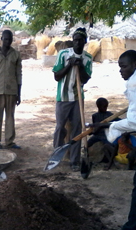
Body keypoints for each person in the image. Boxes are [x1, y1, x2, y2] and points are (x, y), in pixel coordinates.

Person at [95, 50, 136, 230]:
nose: (121, 71)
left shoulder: (135, 83)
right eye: (119, 67)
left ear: (135, 64)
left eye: (124, 66)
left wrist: (112, 126)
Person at [53, 27, 93, 171]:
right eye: (75, 40)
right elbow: (56, 76)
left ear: (84, 42)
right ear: (73, 41)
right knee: (60, 128)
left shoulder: (88, 58)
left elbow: (85, 79)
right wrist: (69, 65)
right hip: (63, 97)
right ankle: (56, 156)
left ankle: (74, 160)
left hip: (78, 99)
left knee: (77, 129)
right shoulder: (64, 54)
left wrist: (80, 65)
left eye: (80, 41)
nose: (77, 43)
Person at [0, 29, 22, 149]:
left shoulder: (16, 55)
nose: (8, 41)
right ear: (1, 39)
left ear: (12, 40)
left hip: (11, 91)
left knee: (10, 117)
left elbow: (19, 74)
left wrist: (19, 93)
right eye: (5, 39)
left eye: (10, 39)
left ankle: (9, 142)